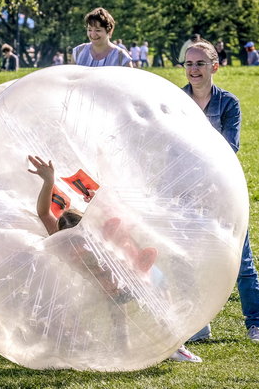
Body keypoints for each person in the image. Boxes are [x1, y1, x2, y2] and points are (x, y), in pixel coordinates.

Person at [27, 155, 202, 363]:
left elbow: (46, 214)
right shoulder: (68, 241)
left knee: (140, 306)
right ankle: (171, 346)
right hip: (118, 283)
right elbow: (44, 212)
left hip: (117, 282)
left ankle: (166, 346)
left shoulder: (71, 240)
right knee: (149, 304)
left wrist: (56, 185)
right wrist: (50, 182)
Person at [180, 40, 259, 344]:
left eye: (200, 64)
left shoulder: (228, 103)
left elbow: (230, 147)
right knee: (190, 259)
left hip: (222, 190)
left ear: (214, 67)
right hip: (186, 192)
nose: (193, 69)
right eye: (189, 64)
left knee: (241, 260)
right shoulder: (176, 101)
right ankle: (199, 324)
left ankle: (255, 323)